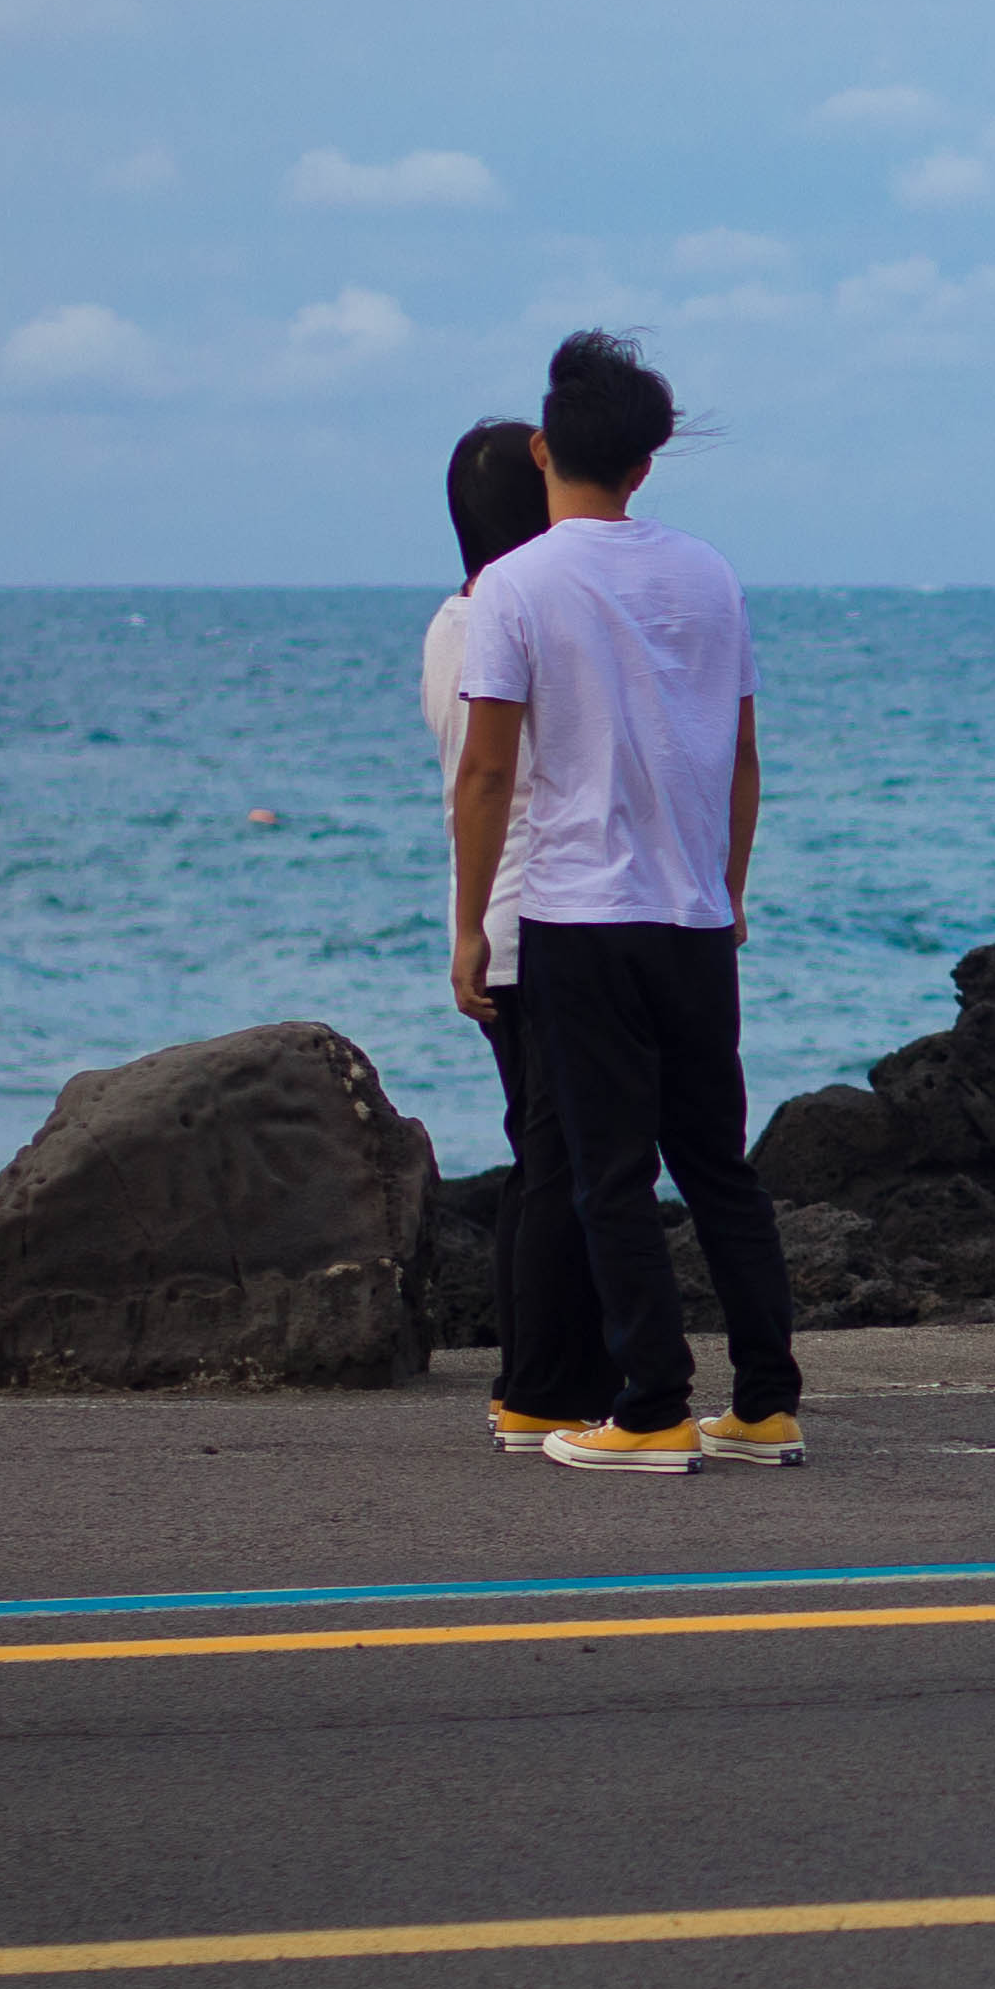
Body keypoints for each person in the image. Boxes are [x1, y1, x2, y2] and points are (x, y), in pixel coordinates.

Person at [444, 330, 803, 1474]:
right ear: (646, 463)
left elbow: (490, 771)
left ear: (547, 447)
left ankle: (651, 1406)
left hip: (578, 920)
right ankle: (765, 1403)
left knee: (606, 1173)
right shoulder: (710, 572)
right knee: (719, 1168)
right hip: (696, 921)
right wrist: (730, 887)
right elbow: (744, 752)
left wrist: (466, 927)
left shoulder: (516, 584)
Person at [423, 421, 612, 1451]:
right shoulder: (506, 621)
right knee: (558, 1161)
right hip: (536, 914)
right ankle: (544, 1381)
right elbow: (496, 776)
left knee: (537, 1154)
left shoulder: (453, 620)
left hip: (501, 912)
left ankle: (533, 1376)